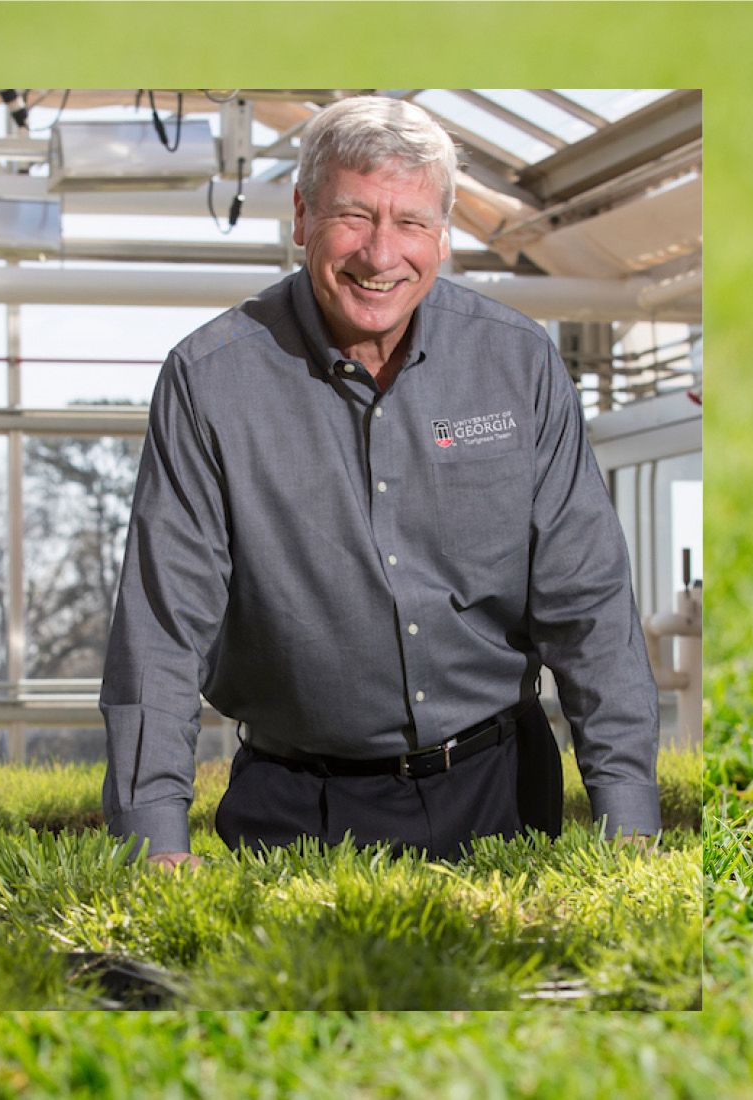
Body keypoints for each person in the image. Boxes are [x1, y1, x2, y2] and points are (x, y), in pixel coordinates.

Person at [100, 95, 660, 871]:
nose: (381, 253)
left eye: (412, 223)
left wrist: (627, 812)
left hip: (503, 791)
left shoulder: (518, 364)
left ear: (446, 234)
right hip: (296, 805)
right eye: (354, 216)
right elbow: (163, 631)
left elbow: (588, 603)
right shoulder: (209, 381)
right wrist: (152, 839)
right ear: (301, 215)